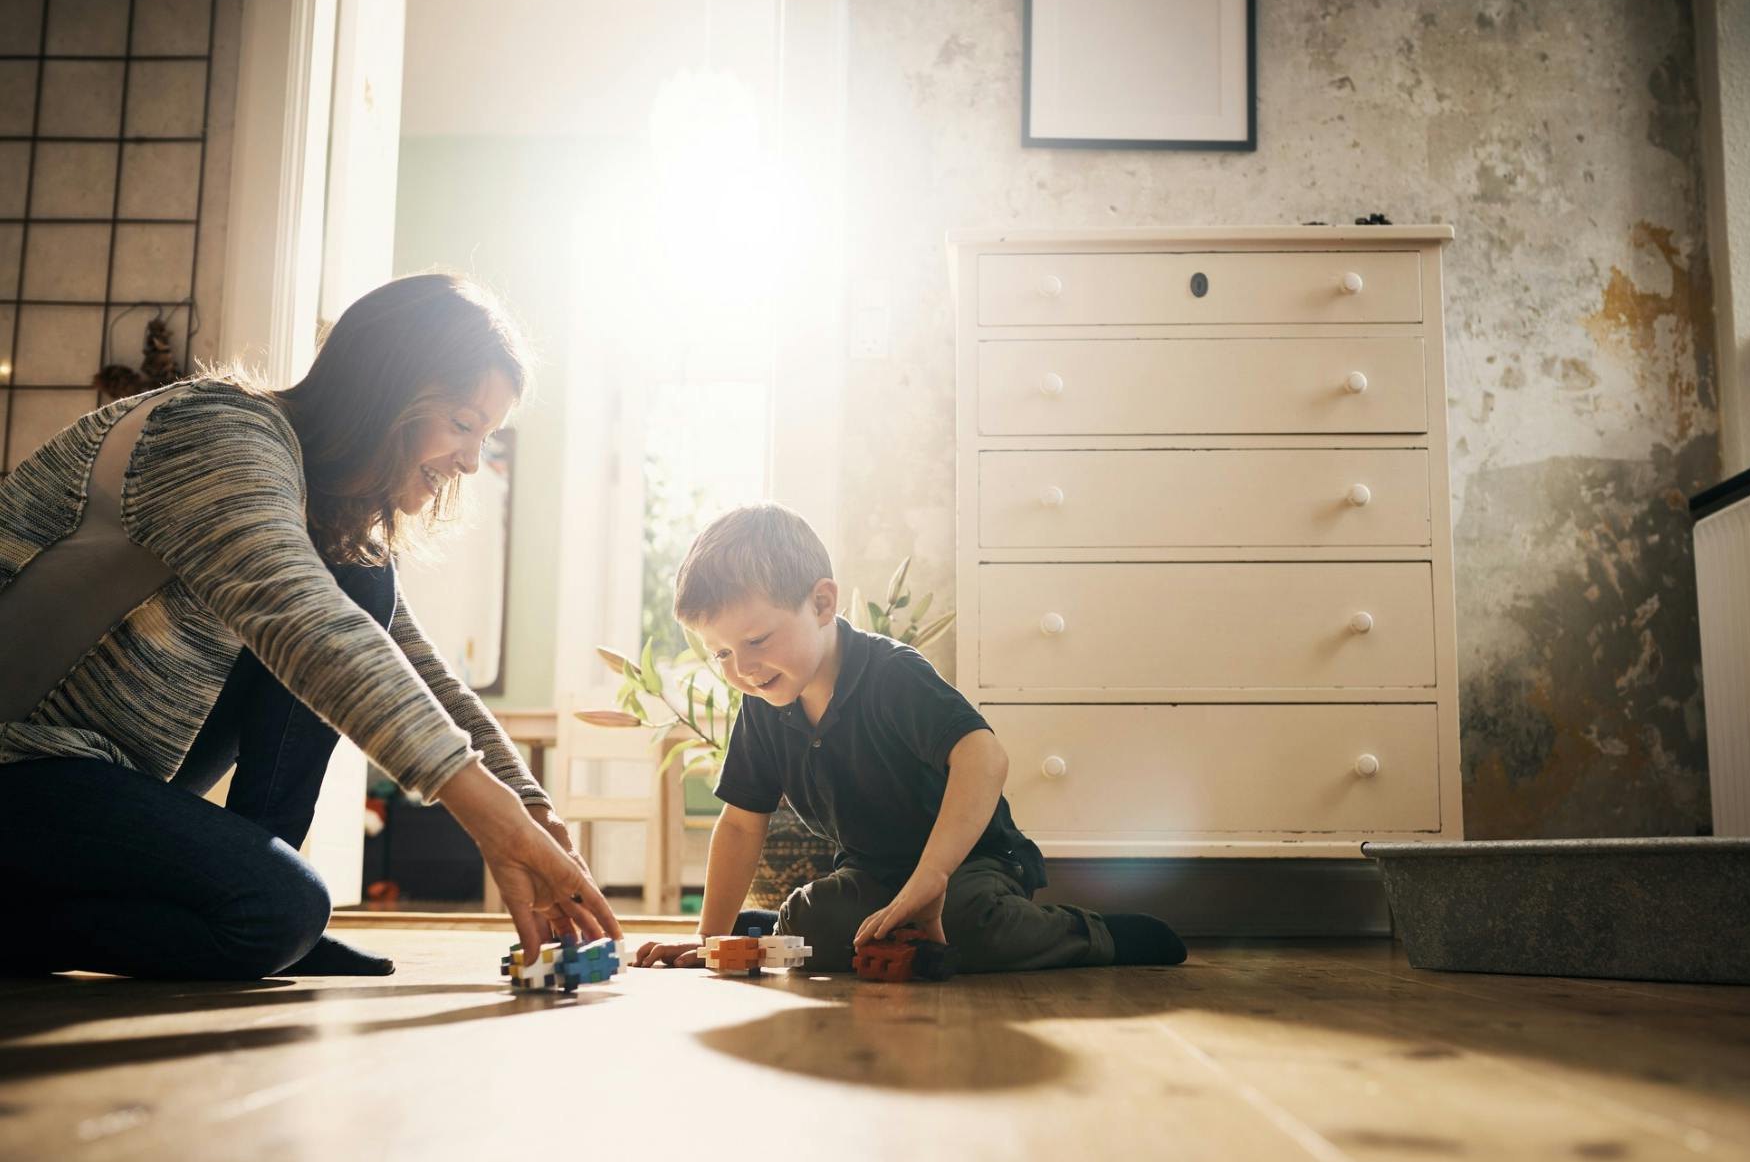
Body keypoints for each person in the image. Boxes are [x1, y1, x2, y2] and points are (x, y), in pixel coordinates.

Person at [0, 274, 618, 980]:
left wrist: (531, 808)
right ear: (388, 392)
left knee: (363, 577)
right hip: (19, 761)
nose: (472, 461)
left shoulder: (325, 507)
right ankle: (267, 911)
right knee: (274, 912)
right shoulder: (211, 434)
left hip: (86, 773)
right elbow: (307, 623)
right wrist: (489, 815)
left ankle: (269, 892)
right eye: (462, 423)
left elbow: (408, 663)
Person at [633, 503, 1186, 973]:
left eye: (756, 640)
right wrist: (712, 939)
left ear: (823, 604)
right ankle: (764, 930)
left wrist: (932, 876)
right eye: (723, 654)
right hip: (872, 871)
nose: (743, 669)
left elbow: (984, 755)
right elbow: (740, 824)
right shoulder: (764, 704)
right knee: (814, 926)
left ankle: (1095, 935)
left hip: (971, 864)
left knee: (968, 923)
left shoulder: (891, 674)